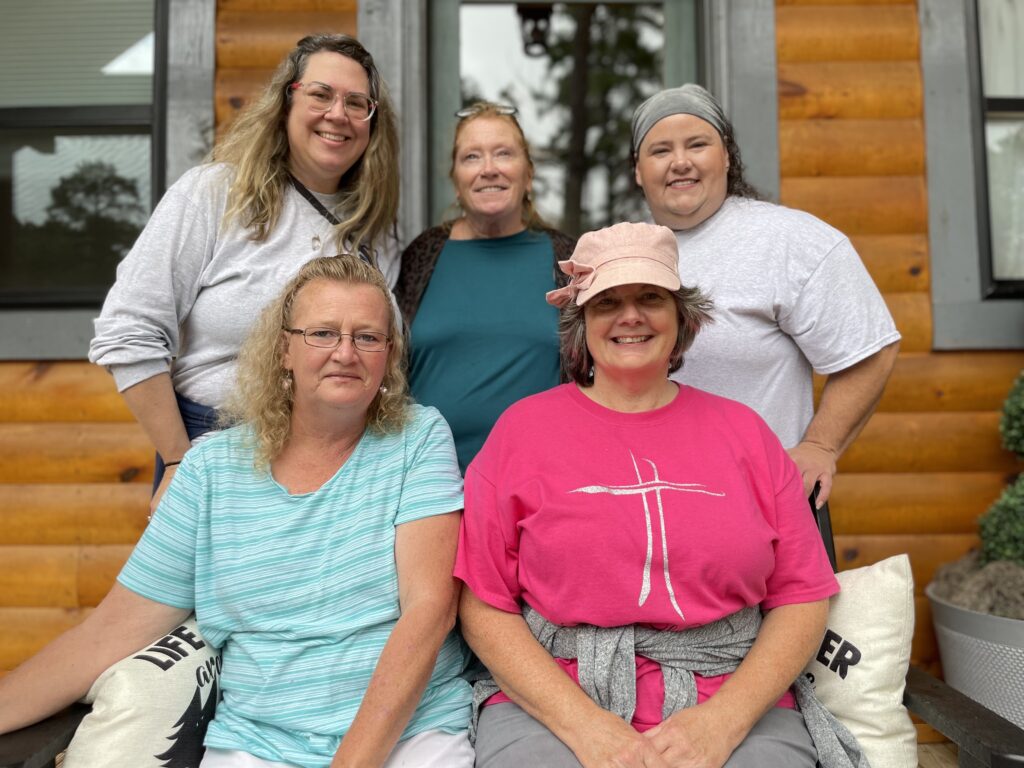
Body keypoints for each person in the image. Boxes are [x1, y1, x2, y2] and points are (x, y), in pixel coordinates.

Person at [0, 256, 474, 768]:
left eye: (367, 337)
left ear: (388, 355)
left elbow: (430, 612)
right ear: (283, 349)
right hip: (257, 743)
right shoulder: (211, 470)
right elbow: (110, 633)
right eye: (322, 332)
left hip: (409, 736)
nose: (344, 352)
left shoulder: (417, 439)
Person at [456, 223, 867, 768]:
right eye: (608, 302)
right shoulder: (521, 433)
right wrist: (584, 727)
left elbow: (800, 597)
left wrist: (723, 722)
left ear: (682, 319)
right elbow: (484, 603)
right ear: (581, 324)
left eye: (650, 297)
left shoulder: (746, 435)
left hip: (729, 698)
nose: (630, 316)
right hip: (554, 702)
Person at [89, 34, 401, 511]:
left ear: (372, 123)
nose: (337, 114)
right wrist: (177, 460)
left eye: (356, 103)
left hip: (342, 466)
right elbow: (128, 330)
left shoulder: (377, 231)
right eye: (320, 94)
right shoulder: (215, 194)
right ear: (286, 100)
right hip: (213, 452)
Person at [631, 84, 901, 506]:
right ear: (638, 169)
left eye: (697, 145)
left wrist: (821, 447)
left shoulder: (790, 240)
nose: (680, 162)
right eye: (660, 150)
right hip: (645, 507)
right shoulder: (623, 251)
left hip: (760, 505)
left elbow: (869, 350)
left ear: (725, 156)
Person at [394, 102, 575, 472]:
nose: (488, 169)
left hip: (539, 479)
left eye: (503, 154)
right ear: (456, 180)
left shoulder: (567, 260)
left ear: (528, 174)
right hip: (426, 482)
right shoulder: (420, 256)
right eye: (472, 157)